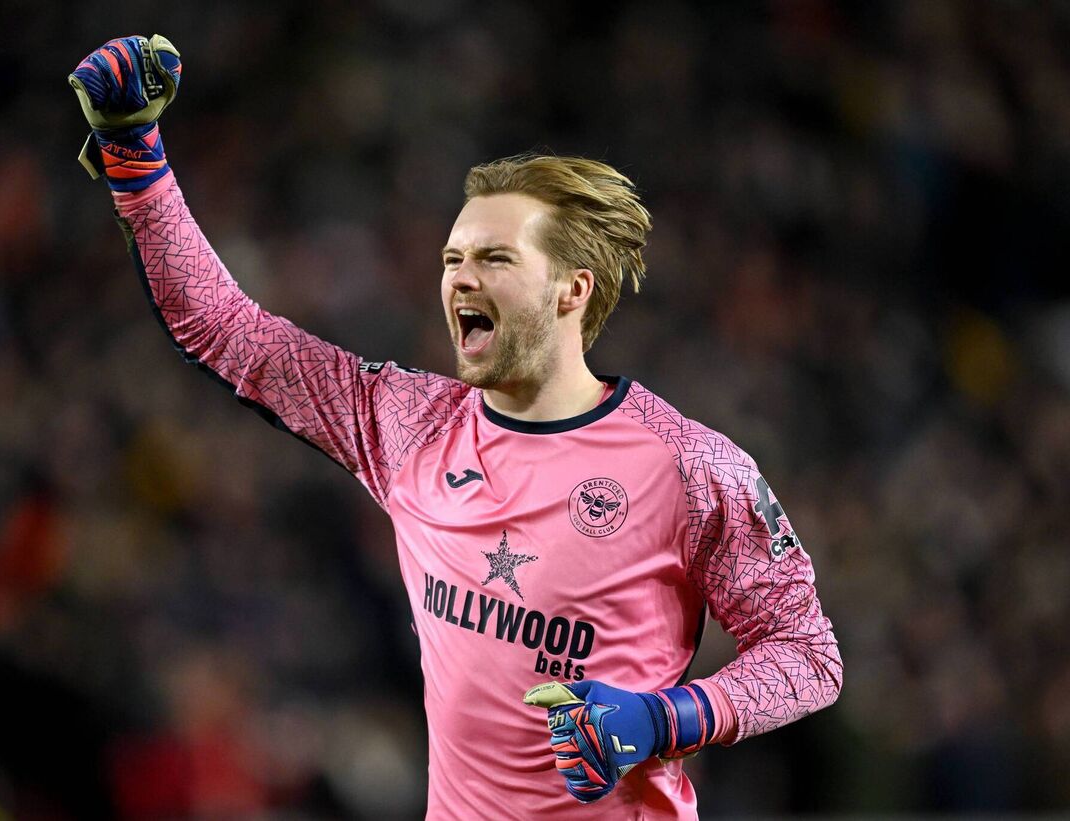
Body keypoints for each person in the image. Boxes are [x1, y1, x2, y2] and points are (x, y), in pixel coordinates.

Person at [69, 35, 842, 820]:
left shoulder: (690, 467)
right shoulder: (408, 425)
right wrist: (137, 161)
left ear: (573, 288)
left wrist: (663, 718)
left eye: (495, 257)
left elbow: (809, 655)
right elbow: (229, 330)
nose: (460, 277)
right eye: (452, 256)